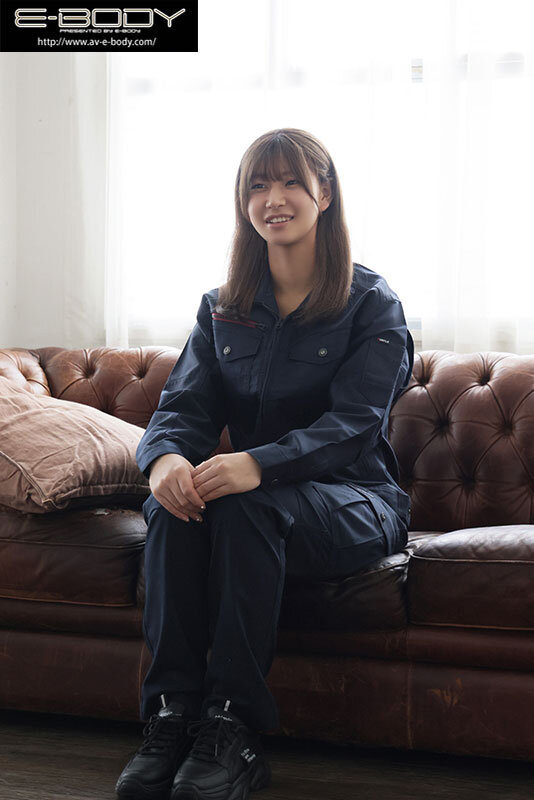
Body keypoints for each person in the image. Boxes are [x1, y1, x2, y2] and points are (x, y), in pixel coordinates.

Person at [115, 127, 414, 800]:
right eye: (257, 185)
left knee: (247, 505)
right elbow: (182, 407)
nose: (272, 199)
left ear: (324, 195)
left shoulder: (372, 303)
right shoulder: (223, 307)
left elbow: (356, 424)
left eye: (289, 183)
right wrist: (164, 460)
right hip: (254, 503)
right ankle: (170, 717)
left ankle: (233, 729)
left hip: (355, 501)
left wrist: (257, 464)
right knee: (171, 506)